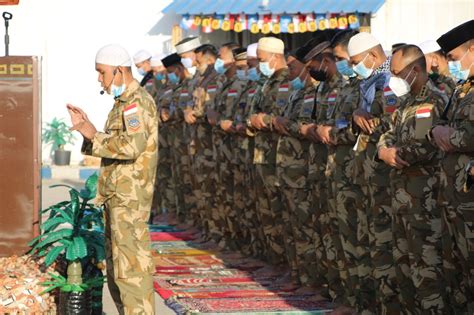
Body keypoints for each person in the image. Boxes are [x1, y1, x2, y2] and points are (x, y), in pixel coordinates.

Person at [67, 44, 158, 314]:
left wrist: (94, 135)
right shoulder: (123, 103)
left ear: (119, 71)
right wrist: (88, 132)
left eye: (102, 72)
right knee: (118, 271)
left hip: (129, 199)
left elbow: (131, 146)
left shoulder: (135, 104)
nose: (99, 79)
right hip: (118, 197)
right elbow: (115, 143)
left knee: (131, 271)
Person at [378, 44, 448, 313]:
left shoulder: (433, 101)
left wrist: (393, 152)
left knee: (427, 270)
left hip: (425, 201)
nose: (392, 79)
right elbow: (388, 132)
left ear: (415, 70)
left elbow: (424, 145)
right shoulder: (404, 101)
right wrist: (384, 151)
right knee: (404, 267)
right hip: (401, 197)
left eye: (397, 73)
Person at [348, 32, 402, 313]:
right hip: (367, 169)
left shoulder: (389, 80)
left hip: (382, 171)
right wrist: (358, 112)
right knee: (369, 237)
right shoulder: (370, 80)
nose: (353, 67)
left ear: (372, 55)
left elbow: (392, 122)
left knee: (383, 239)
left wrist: (365, 118)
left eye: (356, 61)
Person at [431, 19, 474, 314]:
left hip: (469, 196)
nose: (450, 64)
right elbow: (442, 125)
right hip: (454, 195)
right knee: (457, 268)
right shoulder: (463, 89)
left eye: (454, 58)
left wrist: (450, 136)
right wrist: (438, 132)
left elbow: (459, 133)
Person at [272, 44, 319, 289]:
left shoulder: (313, 92)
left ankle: (309, 280)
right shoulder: (296, 91)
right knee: (290, 225)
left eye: (293, 66)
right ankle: (295, 273)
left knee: (304, 228)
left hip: (301, 169)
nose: (288, 70)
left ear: (305, 67)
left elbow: (305, 127)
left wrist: (283, 123)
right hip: (287, 169)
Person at [248, 37, 292, 268]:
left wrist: (262, 119)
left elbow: (283, 117)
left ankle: (285, 263)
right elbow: (251, 114)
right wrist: (255, 120)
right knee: (266, 211)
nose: (259, 64)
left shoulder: (287, 81)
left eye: (262, 59)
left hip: (278, 157)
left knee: (279, 212)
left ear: (275, 57)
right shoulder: (266, 82)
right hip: (262, 156)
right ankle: (273, 261)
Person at [208, 42, 244, 248]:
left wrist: (221, 120)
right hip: (222, 147)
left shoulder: (242, 84)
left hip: (238, 148)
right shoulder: (223, 82)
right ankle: (227, 236)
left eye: (222, 56)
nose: (219, 61)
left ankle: (240, 242)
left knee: (239, 197)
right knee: (223, 194)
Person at [186, 44, 220, 239]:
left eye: (198, 60)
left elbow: (213, 108)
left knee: (211, 190)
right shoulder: (199, 79)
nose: (195, 63)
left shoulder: (215, 79)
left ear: (209, 59)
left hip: (209, 144)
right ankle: (206, 230)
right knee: (200, 187)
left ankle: (215, 234)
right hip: (197, 143)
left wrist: (196, 113)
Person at [161, 53, 193, 223]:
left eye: (171, 71)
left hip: (186, 141)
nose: (169, 76)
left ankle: (190, 219)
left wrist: (172, 114)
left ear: (180, 68)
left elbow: (189, 110)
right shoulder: (175, 87)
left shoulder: (190, 85)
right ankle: (181, 216)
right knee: (178, 180)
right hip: (173, 141)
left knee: (188, 182)